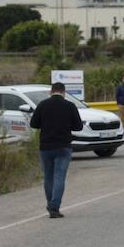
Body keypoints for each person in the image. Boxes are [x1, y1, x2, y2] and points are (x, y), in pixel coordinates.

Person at [29, 82, 83, 219]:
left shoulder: (42, 105)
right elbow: (78, 126)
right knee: (59, 177)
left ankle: (50, 203)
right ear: (64, 93)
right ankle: (54, 206)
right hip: (63, 146)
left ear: (51, 92)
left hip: (46, 147)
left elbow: (33, 124)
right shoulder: (70, 105)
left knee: (48, 177)